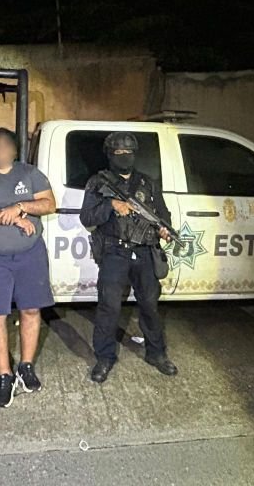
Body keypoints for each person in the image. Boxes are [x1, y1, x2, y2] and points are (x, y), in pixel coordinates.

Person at [0, 128, 57, 408]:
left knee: (31, 310)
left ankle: (26, 367)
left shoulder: (30, 173)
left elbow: (49, 204)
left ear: (14, 151)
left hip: (31, 254)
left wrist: (20, 206)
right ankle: (5, 375)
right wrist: (16, 218)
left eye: (5, 146)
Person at [80, 131, 178, 383]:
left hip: (145, 252)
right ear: (110, 155)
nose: (124, 157)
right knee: (109, 307)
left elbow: (162, 215)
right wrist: (111, 205)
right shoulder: (98, 182)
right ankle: (104, 357)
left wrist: (164, 231)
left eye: (128, 152)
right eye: (118, 152)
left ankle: (156, 353)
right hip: (114, 251)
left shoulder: (148, 183)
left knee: (150, 306)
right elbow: (87, 217)